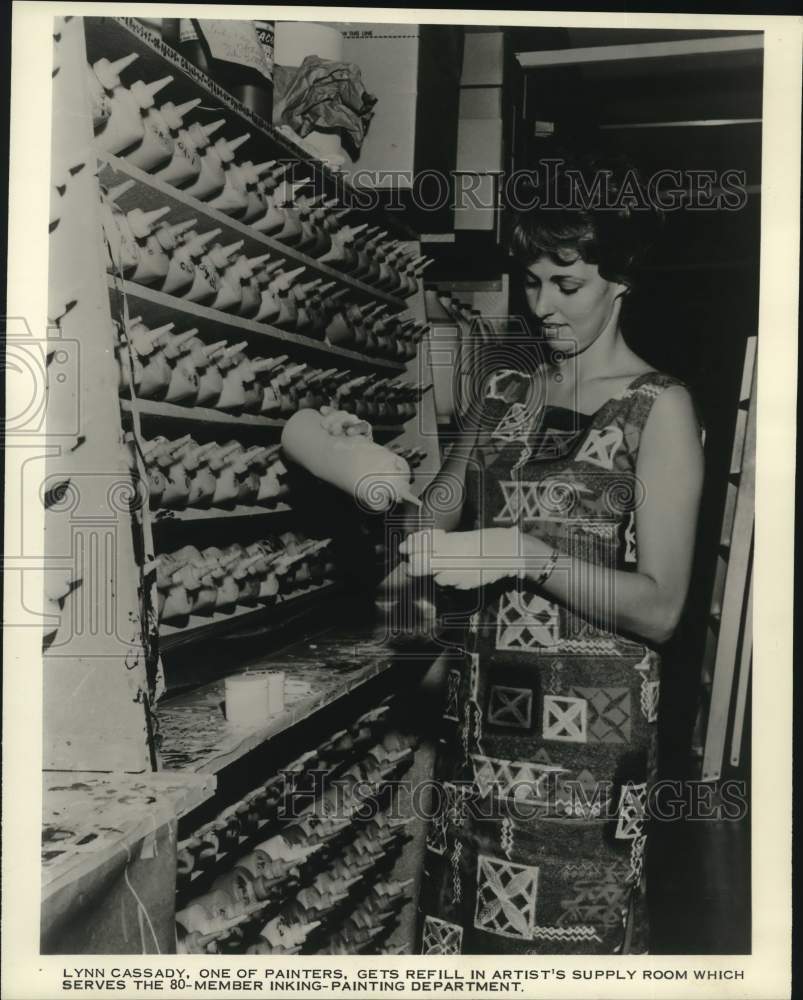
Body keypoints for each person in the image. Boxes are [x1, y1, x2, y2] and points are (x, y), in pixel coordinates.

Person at [318, 154, 704, 954]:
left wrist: (529, 555)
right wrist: (363, 472)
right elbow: (420, 544)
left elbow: (662, 609)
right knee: (467, 942)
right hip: (481, 724)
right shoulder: (500, 399)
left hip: (586, 750)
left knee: (566, 948)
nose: (543, 307)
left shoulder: (656, 408)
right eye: (531, 284)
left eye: (568, 286)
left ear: (619, 283)